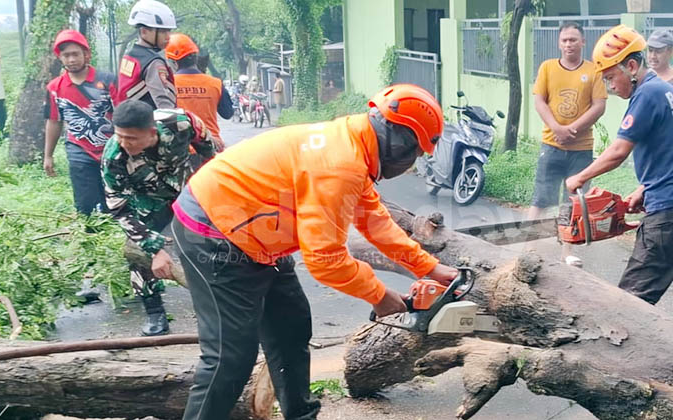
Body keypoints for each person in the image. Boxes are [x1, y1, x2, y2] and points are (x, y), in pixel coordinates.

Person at [171, 84, 460, 419]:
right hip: (212, 231)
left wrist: (431, 269)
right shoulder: (340, 163)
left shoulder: (353, 144)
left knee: (291, 326)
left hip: (257, 236)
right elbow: (325, 261)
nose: (410, 164)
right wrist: (379, 296)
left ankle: (301, 415)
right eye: (414, 154)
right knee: (229, 356)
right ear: (400, 141)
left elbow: (376, 223)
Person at [565, 24, 673, 333]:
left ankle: (613, 369)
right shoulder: (666, 89)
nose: (609, 86)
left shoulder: (646, 94)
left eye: (610, 77)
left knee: (631, 298)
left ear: (631, 66)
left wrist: (580, 177)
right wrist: (645, 187)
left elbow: (619, 151)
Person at [102, 100, 216, 336]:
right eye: (120, 136)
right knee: (136, 251)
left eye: (131, 138)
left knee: (213, 242)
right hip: (148, 199)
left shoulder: (179, 123)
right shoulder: (113, 157)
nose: (123, 143)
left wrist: (211, 167)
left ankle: (220, 302)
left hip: (188, 187)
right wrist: (154, 249)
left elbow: (204, 141)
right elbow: (119, 208)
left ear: (151, 132)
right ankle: (155, 312)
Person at [529, 21, 607, 267]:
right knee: (540, 199)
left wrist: (572, 129)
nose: (569, 44)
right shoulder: (548, 68)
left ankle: (567, 252)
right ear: (558, 43)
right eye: (564, 40)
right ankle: (528, 247)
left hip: (581, 149)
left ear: (583, 42)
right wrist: (557, 128)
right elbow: (540, 100)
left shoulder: (594, 71)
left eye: (573, 39)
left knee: (574, 202)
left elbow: (599, 106)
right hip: (551, 146)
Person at [44, 29, 116, 216]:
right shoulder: (55, 88)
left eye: (75, 54)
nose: (71, 59)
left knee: (115, 200)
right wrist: (48, 156)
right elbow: (54, 121)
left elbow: (122, 114)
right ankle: (90, 237)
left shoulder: (108, 81)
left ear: (86, 54)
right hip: (79, 150)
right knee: (86, 205)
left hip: (112, 149)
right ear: (60, 58)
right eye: (66, 55)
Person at [166, 33, 231, 150]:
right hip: (213, 146)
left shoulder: (168, 84)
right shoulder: (216, 83)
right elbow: (227, 113)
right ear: (195, 57)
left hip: (182, 147)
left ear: (173, 61)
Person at [115, 0, 177, 109]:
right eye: (163, 32)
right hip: (147, 124)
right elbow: (165, 107)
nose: (168, 36)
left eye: (169, 31)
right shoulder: (154, 63)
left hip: (126, 121)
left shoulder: (129, 57)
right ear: (144, 32)